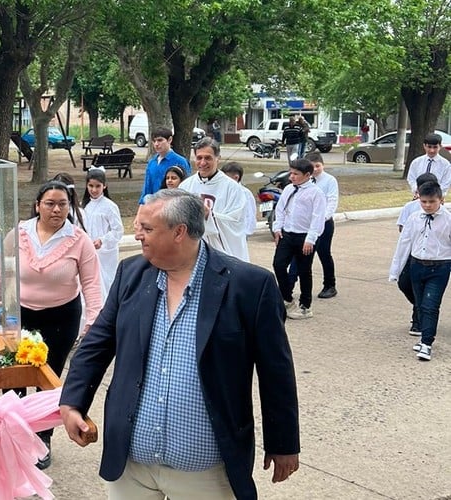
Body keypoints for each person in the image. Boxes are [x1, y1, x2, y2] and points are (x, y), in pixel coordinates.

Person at [59, 189, 300, 500]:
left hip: (206, 473)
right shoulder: (130, 274)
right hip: (131, 467)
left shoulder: (249, 286)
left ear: (179, 232)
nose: (138, 235)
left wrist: (283, 443)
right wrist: (72, 401)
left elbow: (275, 371)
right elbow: (97, 343)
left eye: (147, 228)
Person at [0, 180, 103, 470]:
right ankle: (13, 433)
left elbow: (91, 284)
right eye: (50, 203)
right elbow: (4, 267)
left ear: (70, 207)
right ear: (38, 205)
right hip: (20, 315)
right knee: (13, 378)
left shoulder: (79, 239)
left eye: (62, 204)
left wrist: (94, 320)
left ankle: (42, 438)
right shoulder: (21, 232)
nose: (56, 209)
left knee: (47, 380)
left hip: (61, 318)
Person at [390, 180, 451, 362]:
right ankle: (425, 334)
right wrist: (396, 269)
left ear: (441, 199)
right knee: (420, 303)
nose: (427, 205)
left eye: (432, 202)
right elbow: (404, 244)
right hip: (417, 265)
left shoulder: (448, 219)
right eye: (424, 202)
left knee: (430, 305)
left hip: (439, 267)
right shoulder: (414, 218)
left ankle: (426, 343)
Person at [272, 158, 326, 320]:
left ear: (307, 175)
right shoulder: (289, 189)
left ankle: (305, 305)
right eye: (291, 173)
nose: (292, 177)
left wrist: (311, 238)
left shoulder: (316, 193)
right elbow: (280, 209)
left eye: (296, 174)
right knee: (279, 264)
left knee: (304, 271)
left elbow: (318, 217)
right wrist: (277, 228)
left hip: (304, 236)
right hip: (287, 234)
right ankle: (287, 298)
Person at [180, 138, 250, 261]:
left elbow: (236, 221)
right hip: (193, 250)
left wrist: (209, 216)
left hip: (222, 250)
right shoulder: (185, 186)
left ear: (218, 158)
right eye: (199, 158)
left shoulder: (232, 188)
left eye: (208, 158)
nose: (202, 163)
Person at [396, 172, 440, 336]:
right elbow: (402, 228)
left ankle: (419, 318)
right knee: (404, 284)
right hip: (412, 253)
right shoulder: (410, 207)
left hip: (432, 257)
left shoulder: (440, 210)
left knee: (422, 288)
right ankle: (423, 308)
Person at [82, 168, 124, 301]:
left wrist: (103, 240)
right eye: (91, 186)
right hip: (88, 251)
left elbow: (118, 230)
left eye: (98, 186)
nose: (94, 190)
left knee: (105, 284)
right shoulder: (84, 206)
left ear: (104, 186)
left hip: (105, 254)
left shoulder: (110, 206)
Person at [305, 152, 339, 299]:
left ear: (322, 165)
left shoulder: (330, 180)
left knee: (324, 253)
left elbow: (332, 202)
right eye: (312, 167)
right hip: (307, 224)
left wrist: (322, 218)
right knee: (304, 256)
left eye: (318, 166)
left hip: (324, 223)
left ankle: (330, 285)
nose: (315, 169)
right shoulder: (307, 180)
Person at [139, 128, 190, 204]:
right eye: (154, 141)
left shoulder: (180, 161)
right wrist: (142, 205)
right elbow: (147, 188)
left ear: (169, 140)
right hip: (153, 206)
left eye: (160, 140)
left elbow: (186, 187)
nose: (156, 144)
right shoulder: (152, 162)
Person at [221, 161, 256, 236]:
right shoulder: (223, 191)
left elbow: (250, 215)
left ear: (236, 177)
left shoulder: (245, 193)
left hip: (239, 233)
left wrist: (245, 233)